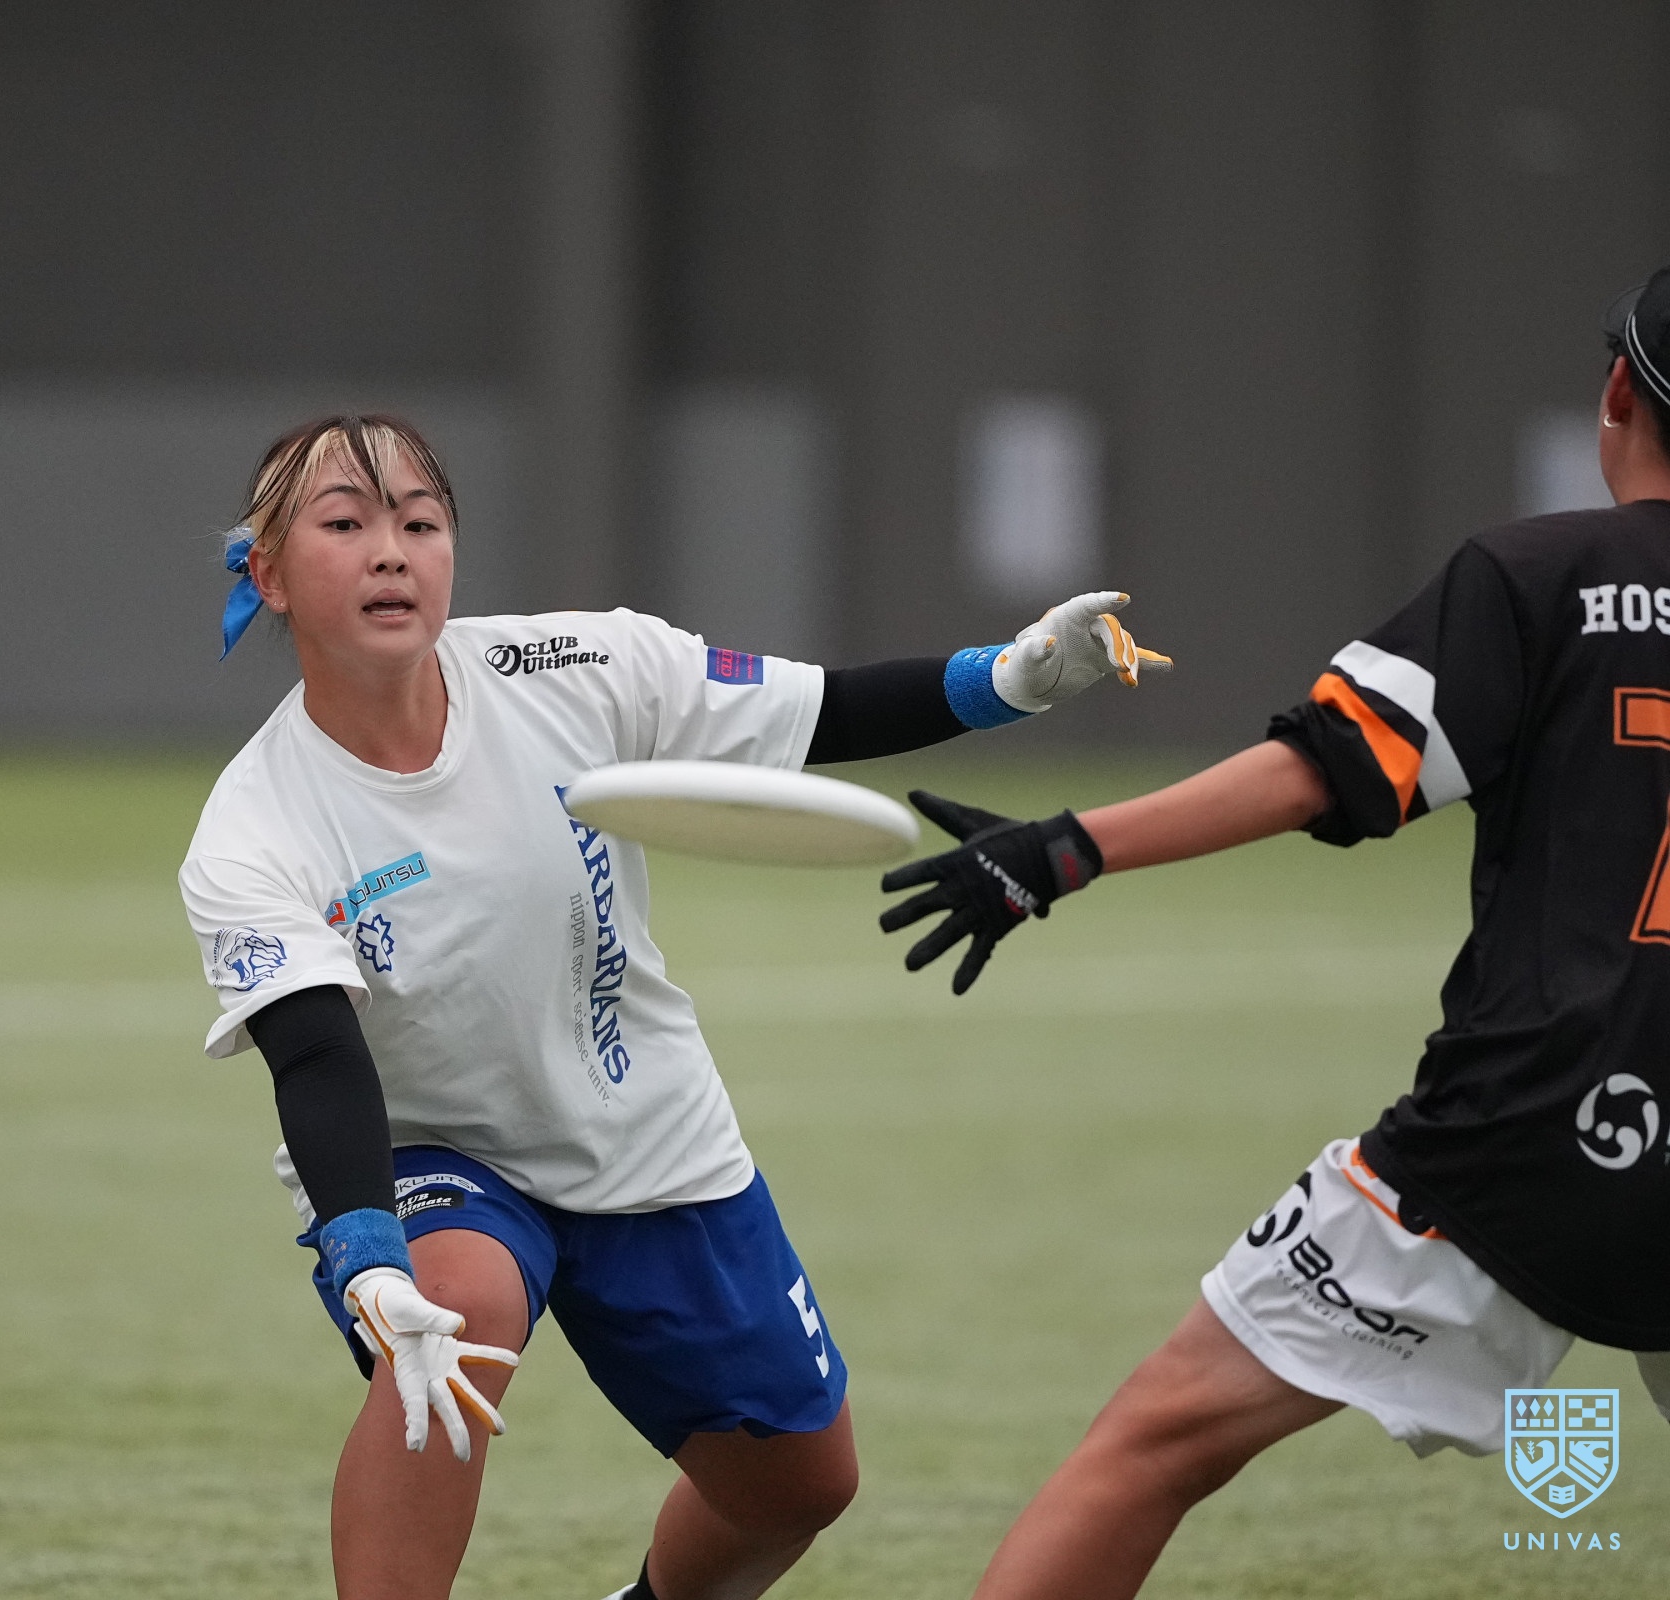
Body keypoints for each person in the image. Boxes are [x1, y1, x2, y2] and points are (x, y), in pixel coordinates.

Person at [177, 413, 1167, 1600]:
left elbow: (819, 710)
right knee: (454, 1310)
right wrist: (370, 1258)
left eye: (420, 523)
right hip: (433, 1152)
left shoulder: (575, 664)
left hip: (644, 1126)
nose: (391, 550)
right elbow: (318, 1059)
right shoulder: (254, 827)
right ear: (270, 574)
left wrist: (1011, 680)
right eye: (345, 524)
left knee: (799, 1483)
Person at [878, 271, 1670, 1600]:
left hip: (1531, 1129)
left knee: (1153, 1442)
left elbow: (1330, 769)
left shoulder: (1538, 578)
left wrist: (1060, 850)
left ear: (1614, 392)